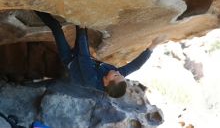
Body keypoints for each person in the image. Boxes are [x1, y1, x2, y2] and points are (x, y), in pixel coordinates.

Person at [35, 11, 165, 98]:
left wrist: (82, 28)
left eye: (116, 75)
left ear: (105, 82)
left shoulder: (91, 80)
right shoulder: (116, 77)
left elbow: (83, 57)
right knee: (80, 26)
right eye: (120, 75)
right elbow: (136, 66)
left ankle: (36, 8)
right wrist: (152, 46)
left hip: (70, 60)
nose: (118, 72)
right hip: (83, 60)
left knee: (57, 27)